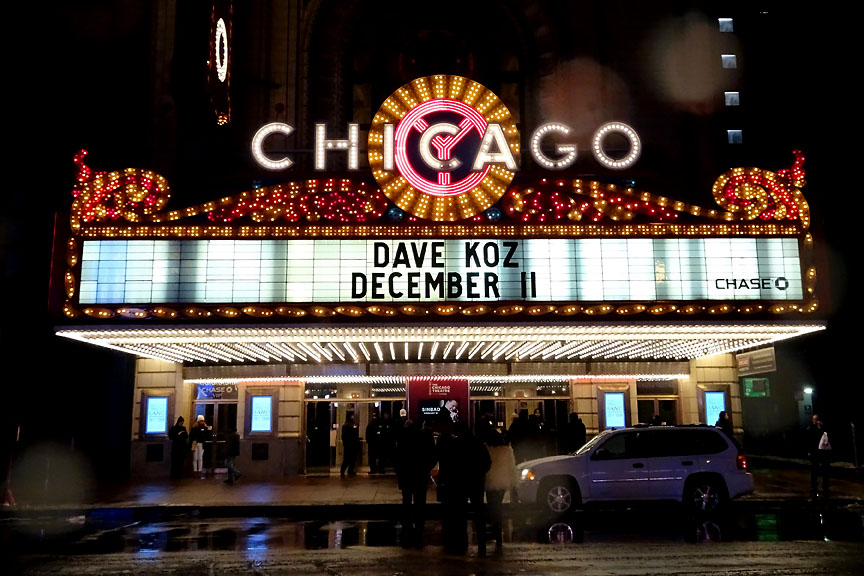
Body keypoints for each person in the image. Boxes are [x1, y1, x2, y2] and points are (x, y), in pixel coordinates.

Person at [437, 421, 491, 556]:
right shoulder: (478, 443)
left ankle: (462, 542)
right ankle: (482, 543)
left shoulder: (455, 445)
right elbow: (487, 462)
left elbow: (450, 465)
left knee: (460, 513)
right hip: (476, 482)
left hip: (459, 483)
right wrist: (480, 473)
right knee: (479, 512)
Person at [394, 419, 437, 548]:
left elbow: (397, 457)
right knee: (420, 500)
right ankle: (419, 524)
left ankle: (406, 523)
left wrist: (399, 471)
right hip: (420, 474)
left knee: (406, 499)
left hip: (406, 474)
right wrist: (427, 468)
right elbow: (433, 455)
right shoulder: (424, 437)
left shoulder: (402, 438)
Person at [483, 428, 517, 552]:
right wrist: (513, 483)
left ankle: (495, 528)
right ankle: (498, 533)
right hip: (502, 482)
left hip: (490, 481)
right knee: (497, 506)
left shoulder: (487, 449)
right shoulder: (506, 451)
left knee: (492, 505)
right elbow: (511, 468)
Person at [806, 413, 832, 498]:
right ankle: (813, 486)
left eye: (816, 419)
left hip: (823, 451)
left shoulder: (823, 428)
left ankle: (825, 486)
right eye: (814, 419)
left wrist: (821, 427)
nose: (815, 421)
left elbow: (827, 437)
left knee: (825, 469)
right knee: (814, 469)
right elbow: (809, 439)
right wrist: (809, 451)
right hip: (815, 451)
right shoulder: (811, 428)